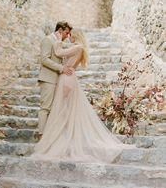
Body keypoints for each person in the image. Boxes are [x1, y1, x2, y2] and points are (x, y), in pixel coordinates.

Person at [33, 28, 134, 163]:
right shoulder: (78, 48)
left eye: (70, 35)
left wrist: (57, 41)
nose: (69, 37)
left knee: (63, 108)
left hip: (66, 78)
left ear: (75, 36)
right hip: (69, 77)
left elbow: (58, 52)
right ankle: (63, 135)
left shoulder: (78, 47)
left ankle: (60, 137)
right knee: (65, 108)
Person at [37, 21, 73, 141]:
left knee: (53, 109)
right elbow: (44, 59)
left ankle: (49, 135)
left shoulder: (59, 43)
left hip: (57, 80)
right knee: (45, 108)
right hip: (48, 78)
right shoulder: (48, 40)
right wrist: (61, 68)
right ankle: (41, 136)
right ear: (60, 30)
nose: (68, 36)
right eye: (66, 33)